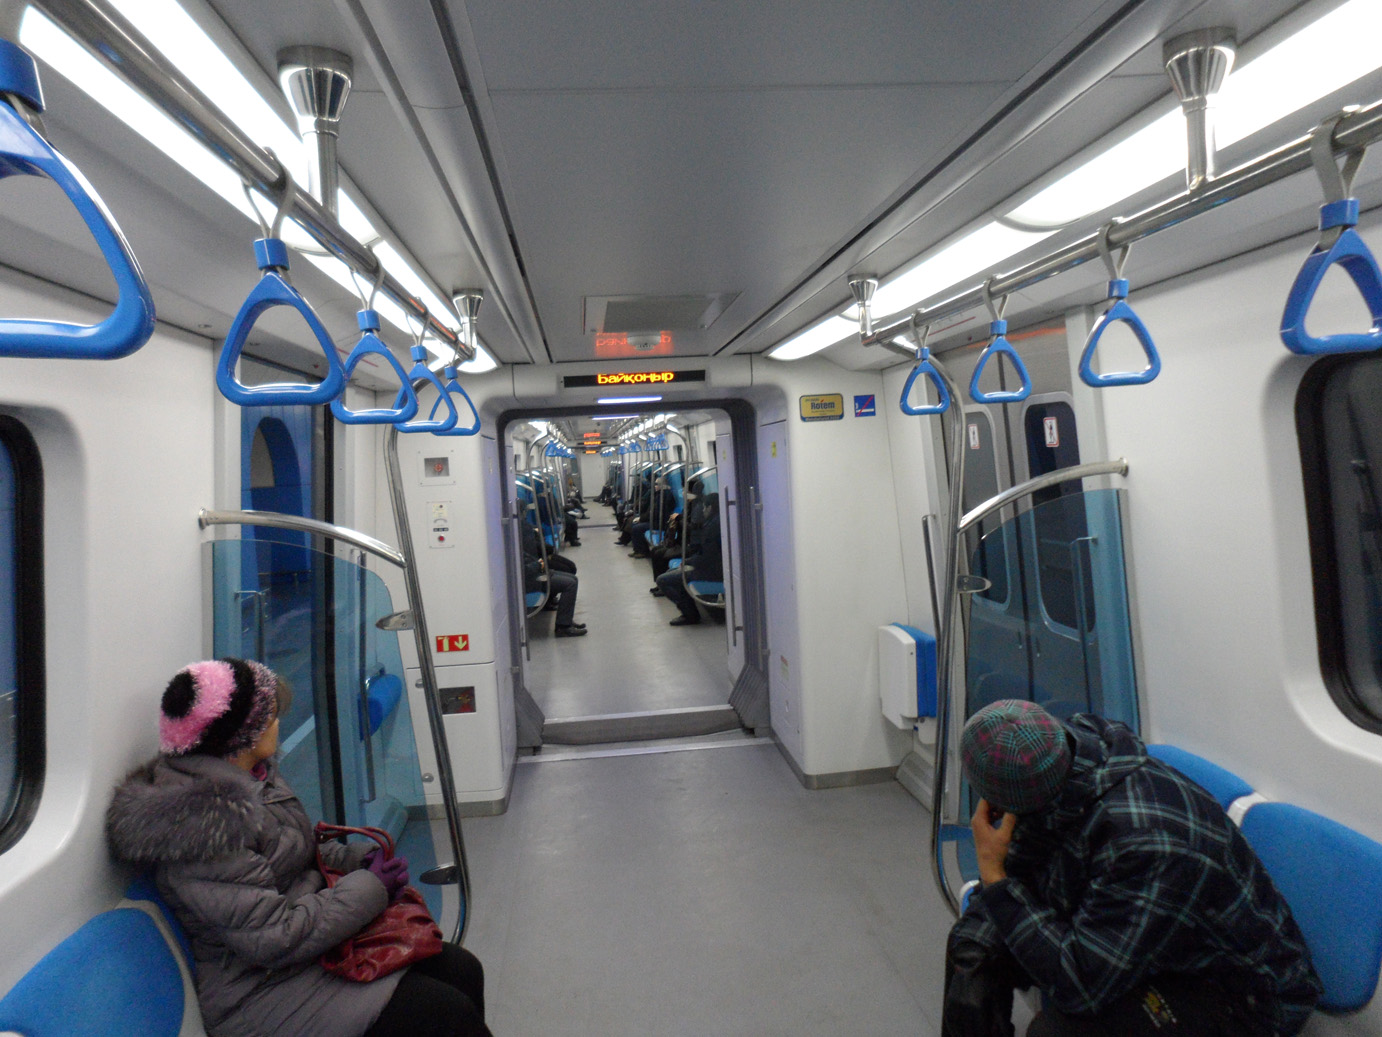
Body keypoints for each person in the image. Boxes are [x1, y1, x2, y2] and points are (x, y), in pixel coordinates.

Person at [105, 659, 490, 1037]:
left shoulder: (253, 778)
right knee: (445, 1014)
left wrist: (357, 860)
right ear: (242, 734)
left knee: (462, 969)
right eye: (270, 718)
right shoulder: (204, 824)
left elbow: (292, 856)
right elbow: (272, 937)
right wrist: (370, 887)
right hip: (261, 992)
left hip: (305, 956)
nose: (278, 724)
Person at [943, 699, 1321, 1037]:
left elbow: (1081, 988)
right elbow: (1025, 868)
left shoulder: (1144, 846)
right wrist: (980, 936)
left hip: (1237, 995)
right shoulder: (1058, 761)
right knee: (972, 954)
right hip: (1139, 934)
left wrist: (995, 878)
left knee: (1056, 1031)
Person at [656, 495, 722, 626]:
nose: (703, 510)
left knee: (662, 580)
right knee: (672, 573)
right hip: (710, 566)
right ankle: (689, 611)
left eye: (704, 508)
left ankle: (690, 615)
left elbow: (708, 557)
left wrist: (688, 562)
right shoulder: (713, 523)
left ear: (710, 507)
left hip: (712, 571)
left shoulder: (713, 527)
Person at [522, 521, 586, 636]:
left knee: (573, 579)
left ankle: (566, 620)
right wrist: (539, 564)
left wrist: (539, 564)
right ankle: (563, 627)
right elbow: (526, 570)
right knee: (570, 584)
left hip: (537, 572)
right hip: (533, 580)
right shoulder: (520, 540)